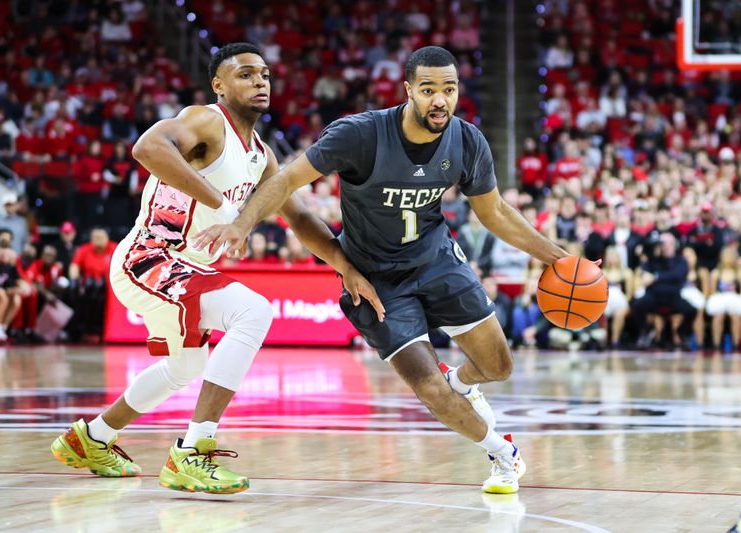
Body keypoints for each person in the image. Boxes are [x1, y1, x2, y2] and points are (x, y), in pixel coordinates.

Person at [200, 46, 575, 494]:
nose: (440, 100)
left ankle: (461, 381)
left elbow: (494, 212)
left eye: (449, 90)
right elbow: (285, 181)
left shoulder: (467, 140)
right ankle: (502, 452)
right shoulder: (360, 135)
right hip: (375, 279)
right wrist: (242, 222)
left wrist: (557, 257)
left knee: (498, 366)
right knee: (430, 391)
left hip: (437, 261)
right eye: (429, 90)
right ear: (408, 91)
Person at [50, 43, 380, 495]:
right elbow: (147, 147)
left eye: (264, 74)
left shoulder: (261, 156)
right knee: (253, 312)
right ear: (219, 86)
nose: (259, 81)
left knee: (183, 369)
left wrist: (344, 265)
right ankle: (192, 451)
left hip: (183, 268)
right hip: (149, 257)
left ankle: (90, 439)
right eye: (245, 74)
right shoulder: (206, 120)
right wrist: (222, 205)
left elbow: (301, 219)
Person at [706, 247, 741, 352]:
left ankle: (736, 344)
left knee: (735, 316)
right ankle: (716, 344)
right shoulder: (716, 273)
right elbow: (712, 291)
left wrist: (738, 302)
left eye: (730, 255)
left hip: (735, 300)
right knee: (718, 316)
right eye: (725, 255)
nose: (727, 258)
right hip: (720, 299)